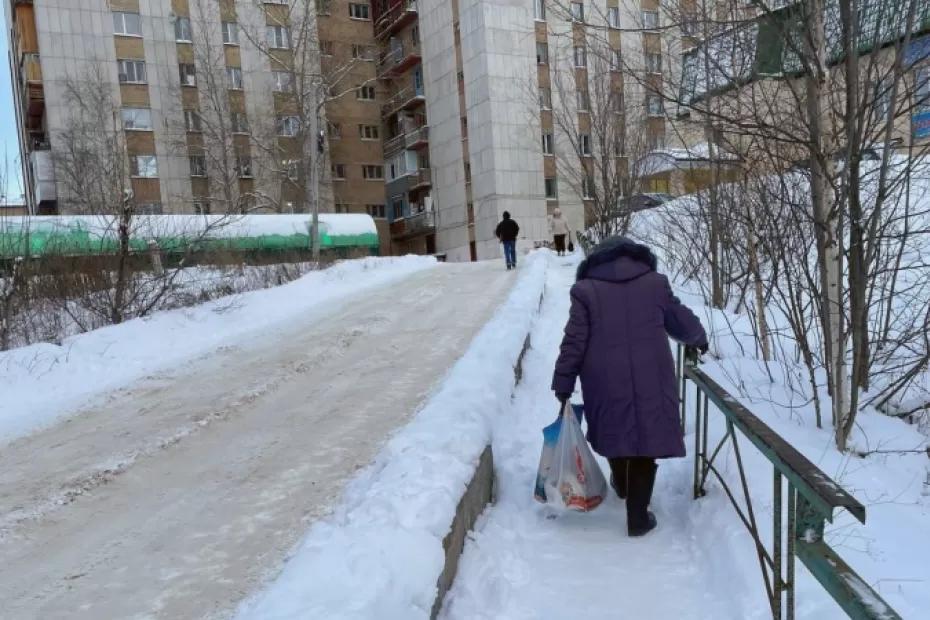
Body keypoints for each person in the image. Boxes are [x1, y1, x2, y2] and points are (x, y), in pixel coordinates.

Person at [551, 236, 708, 537]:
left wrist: (563, 382)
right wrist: (699, 339)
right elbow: (680, 321)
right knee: (645, 438)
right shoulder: (654, 283)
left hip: (602, 378)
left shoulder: (586, 290)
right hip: (652, 373)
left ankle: (621, 484)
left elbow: (574, 340)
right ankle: (637, 516)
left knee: (614, 427)